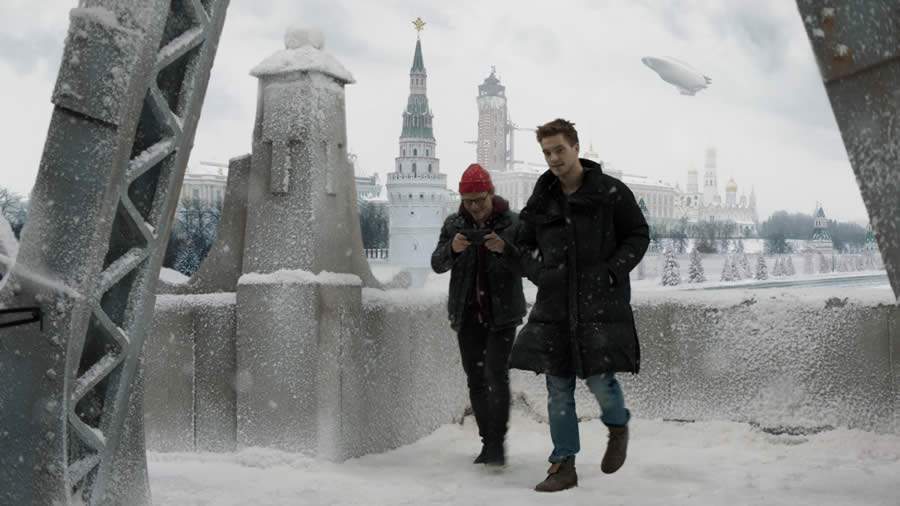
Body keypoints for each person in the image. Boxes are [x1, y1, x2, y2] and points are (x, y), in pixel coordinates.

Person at [507, 119, 649, 491]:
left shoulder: (610, 193)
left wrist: (611, 271)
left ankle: (617, 426)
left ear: (576, 147)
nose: (553, 158)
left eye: (559, 150)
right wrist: (541, 273)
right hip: (554, 308)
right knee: (558, 387)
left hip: (598, 305)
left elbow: (638, 235)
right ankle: (563, 463)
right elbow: (520, 246)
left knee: (601, 380)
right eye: (547, 152)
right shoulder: (542, 199)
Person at [431, 163, 526, 466]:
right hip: (468, 315)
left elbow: (529, 265)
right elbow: (436, 263)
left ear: (490, 193)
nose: (475, 208)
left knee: (495, 375)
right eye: (468, 201)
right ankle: (488, 441)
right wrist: (453, 249)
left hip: (503, 315)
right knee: (476, 379)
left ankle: (496, 444)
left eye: (480, 200)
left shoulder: (512, 222)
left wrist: (504, 248)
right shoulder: (454, 223)